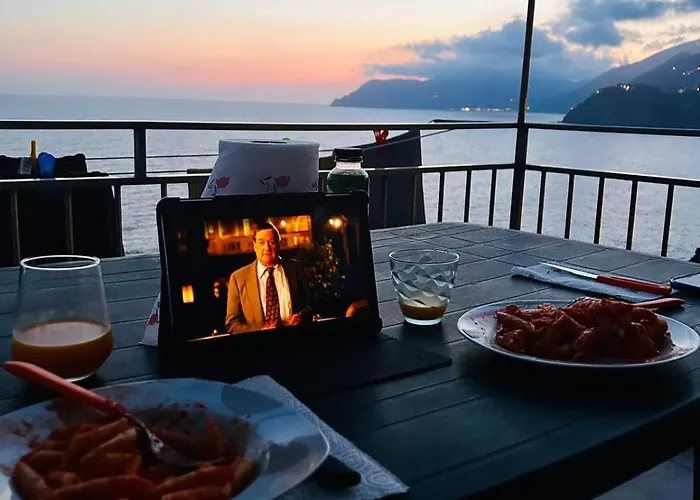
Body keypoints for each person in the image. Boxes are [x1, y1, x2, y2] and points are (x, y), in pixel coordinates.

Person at [225, 222, 311, 334]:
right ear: (254, 245)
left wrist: (301, 317)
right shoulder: (238, 278)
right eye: (261, 242)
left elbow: (311, 305)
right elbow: (232, 324)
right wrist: (260, 331)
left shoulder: (295, 269)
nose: (267, 248)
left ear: (278, 244)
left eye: (272, 242)